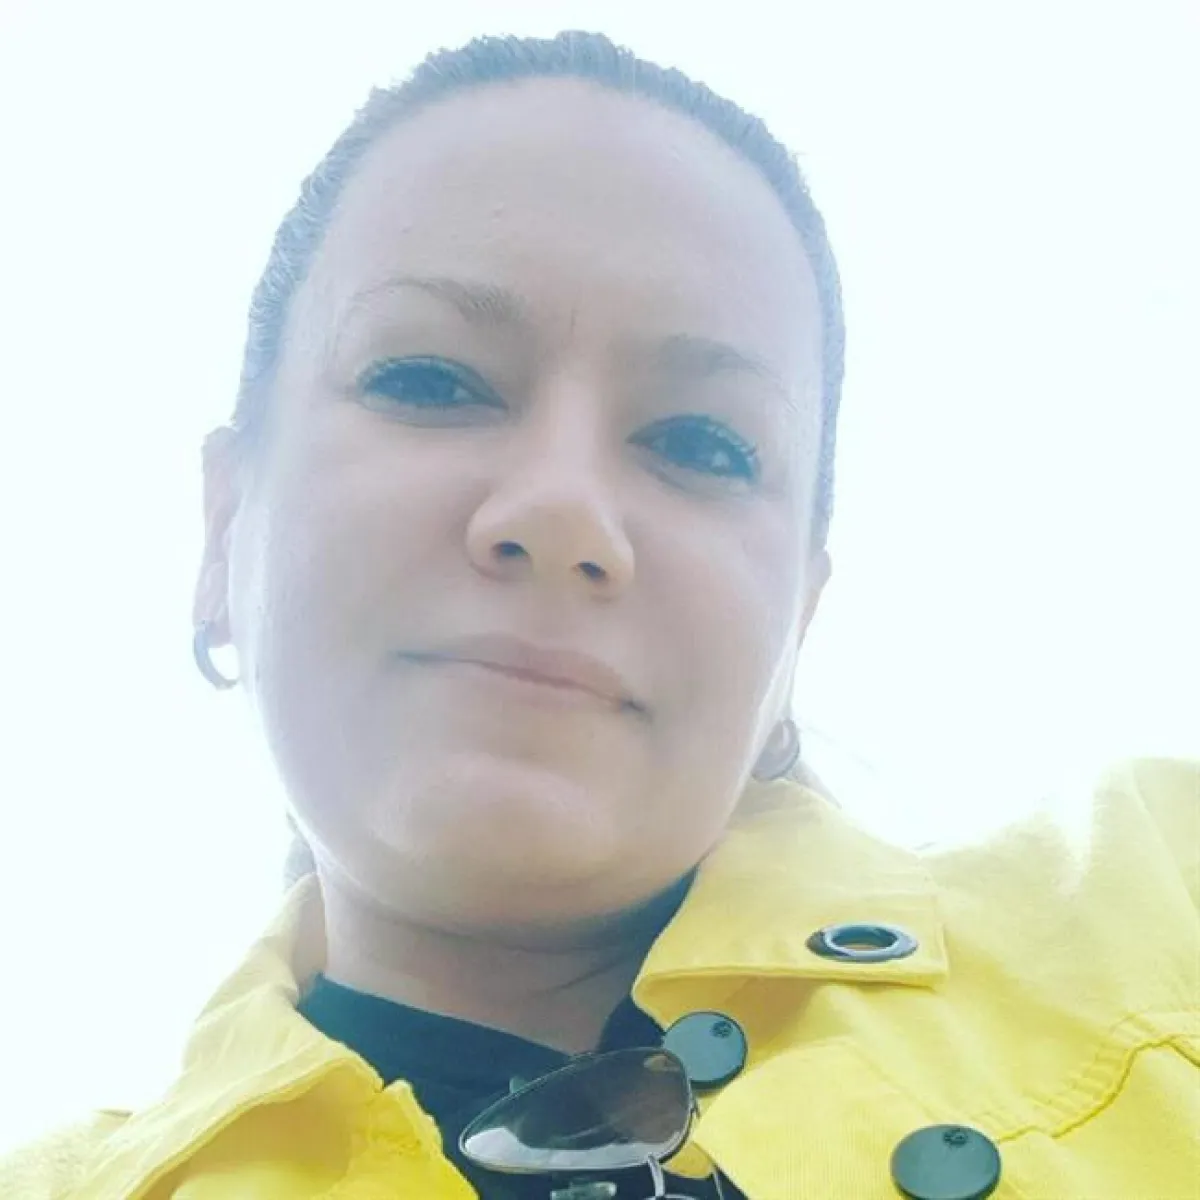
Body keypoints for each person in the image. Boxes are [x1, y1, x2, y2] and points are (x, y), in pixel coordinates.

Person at [3, 28, 1197, 1200]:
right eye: (430, 379)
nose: (562, 510)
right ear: (224, 527)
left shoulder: (1161, 894)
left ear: (797, 623)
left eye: (702, 443)